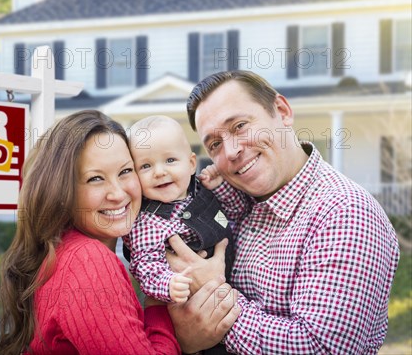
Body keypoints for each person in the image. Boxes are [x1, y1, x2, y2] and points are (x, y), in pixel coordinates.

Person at [166, 70, 400, 354]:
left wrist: (214, 297)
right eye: (215, 144)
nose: (230, 151)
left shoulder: (344, 212)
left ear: (282, 111)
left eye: (240, 125)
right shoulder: (235, 203)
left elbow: (320, 348)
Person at [0, 110, 239, 355]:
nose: (118, 194)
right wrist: (172, 324)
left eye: (125, 171)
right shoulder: (88, 261)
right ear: (61, 191)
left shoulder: (66, 249)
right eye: (95, 179)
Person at [123, 115, 235, 305]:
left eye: (170, 160)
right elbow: (145, 267)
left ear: (191, 164)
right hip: (191, 300)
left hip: (235, 284)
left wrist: (219, 187)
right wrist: (168, 284)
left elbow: (232, 216)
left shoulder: (201, 191)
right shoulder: (147, 222)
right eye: (146, 166)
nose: (159, 172)